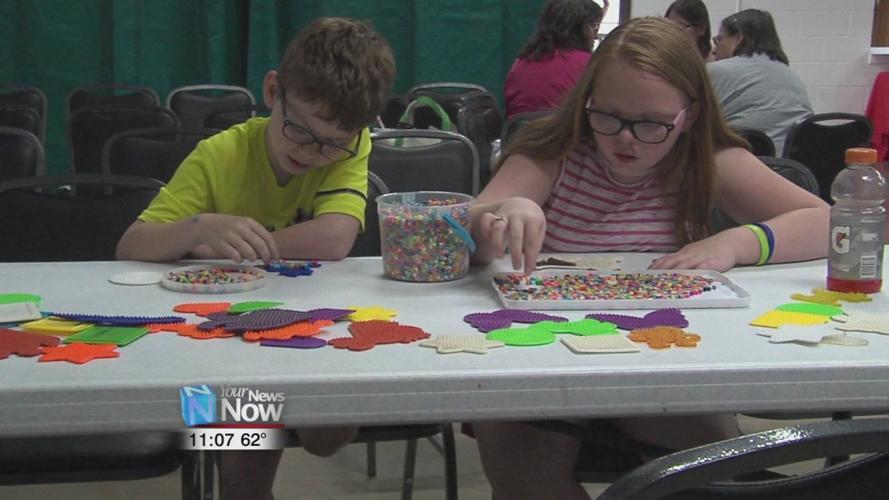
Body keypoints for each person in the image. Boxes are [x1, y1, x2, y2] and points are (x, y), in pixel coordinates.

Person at [469, 17, 829, 500]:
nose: (625, 139)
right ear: (587, 101)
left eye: (651, 124)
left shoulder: (707, 159)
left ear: (690, 116)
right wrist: (501, 214)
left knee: (709, 471)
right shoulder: (552, 151)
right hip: (544, 350)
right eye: (607, 117)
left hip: (665, 351)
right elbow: (463, 231)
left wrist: (737, 242)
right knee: (522, 472)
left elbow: (828, 223)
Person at [117, 17, 396, 500]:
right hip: (224, 346)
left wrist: (234, 246)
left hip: (312, 336)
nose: (312, 152)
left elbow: (334, 238)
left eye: (332, 143)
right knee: (245, 455)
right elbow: (131, 246)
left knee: (329, 431)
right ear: (272, 91)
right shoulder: (220, 154)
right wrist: (197, 228)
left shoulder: (352, 143)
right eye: (300, 130)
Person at [709, 8, 813, 156]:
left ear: (738, 38)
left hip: (740, 163)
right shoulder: (792, 76)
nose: (714, 49)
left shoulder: (717, 71)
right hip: (794, 166)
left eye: (719, 39)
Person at [503, 0, 605, 119]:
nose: (595, 35)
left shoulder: (522, 61)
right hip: (565, 130)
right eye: (594, 26)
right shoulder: (588, 64)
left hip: (519, 130)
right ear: (577, 28)